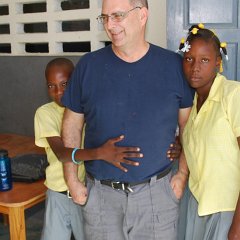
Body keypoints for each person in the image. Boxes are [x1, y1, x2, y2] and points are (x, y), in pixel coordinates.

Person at [61, 0, 193, 239]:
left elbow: (188, 125)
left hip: (157, 197)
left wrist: (182, 174)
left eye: (118, 16)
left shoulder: (173, 66)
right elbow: (72, 124)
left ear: (142, 16)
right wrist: (72, 179)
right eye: (105, 17)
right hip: (101, 197)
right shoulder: (88, 66)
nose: (110, 25)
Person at [34, 58, 146, 240]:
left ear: (76, 82)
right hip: (58, 193)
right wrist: (101, 153)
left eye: (64, 84)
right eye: (51, 86)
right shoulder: (45, 113)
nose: (58, 92)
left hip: (87, 191)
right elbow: (63, 154)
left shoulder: (88, 109)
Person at [177, 24, 240, 240]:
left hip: (228, 210)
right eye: (189, 59)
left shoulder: (233, 95)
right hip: (197, 206)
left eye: (204, 60)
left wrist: (237, 227)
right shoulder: (192, 104)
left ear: (217, 63)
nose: (195, 67)